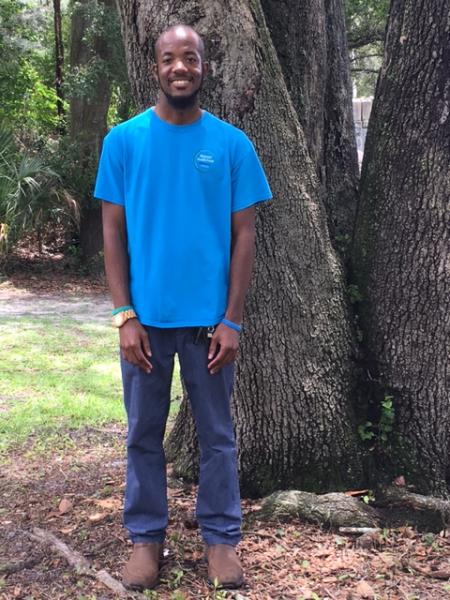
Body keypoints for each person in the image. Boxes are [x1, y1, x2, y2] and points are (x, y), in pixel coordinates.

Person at [94, 24, 272, 591]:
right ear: (155, 67)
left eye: (190, 58)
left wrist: (232, 319)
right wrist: (124, 314)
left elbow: (244, 235)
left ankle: (221, 541)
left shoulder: (232, 145)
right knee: (143, 434)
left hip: (209, 327)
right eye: (169, 58)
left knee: (217, 435)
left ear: (203, 67)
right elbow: (112, 232)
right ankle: (146, 540)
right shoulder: (123, 141)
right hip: (145, 324)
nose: (180, 68)